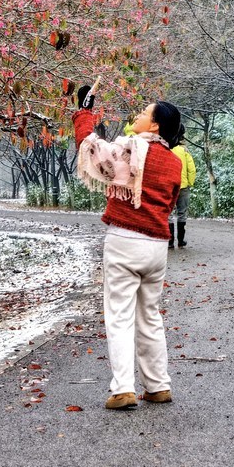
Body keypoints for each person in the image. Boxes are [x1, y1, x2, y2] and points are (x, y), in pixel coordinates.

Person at [73, 84, 183, 410]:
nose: (137, 115)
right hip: (157, 247)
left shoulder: (131, 149)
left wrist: (84, 112)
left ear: (155, 126)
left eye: (144, 113)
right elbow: (170, 204)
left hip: (125, 240)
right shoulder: (174, 162)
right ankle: (158, 385)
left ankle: (123, 389)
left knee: (119, 316)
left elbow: (92, 148)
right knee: (149, 316)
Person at [169, 125, 196, 249]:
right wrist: (190, 182)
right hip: (183, 185)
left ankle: (169, 241)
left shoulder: (166, 149)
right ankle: (181, 240)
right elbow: (191, 169)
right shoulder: (184, 150)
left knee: (168, 213)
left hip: (168, 185)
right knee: (182, 213)